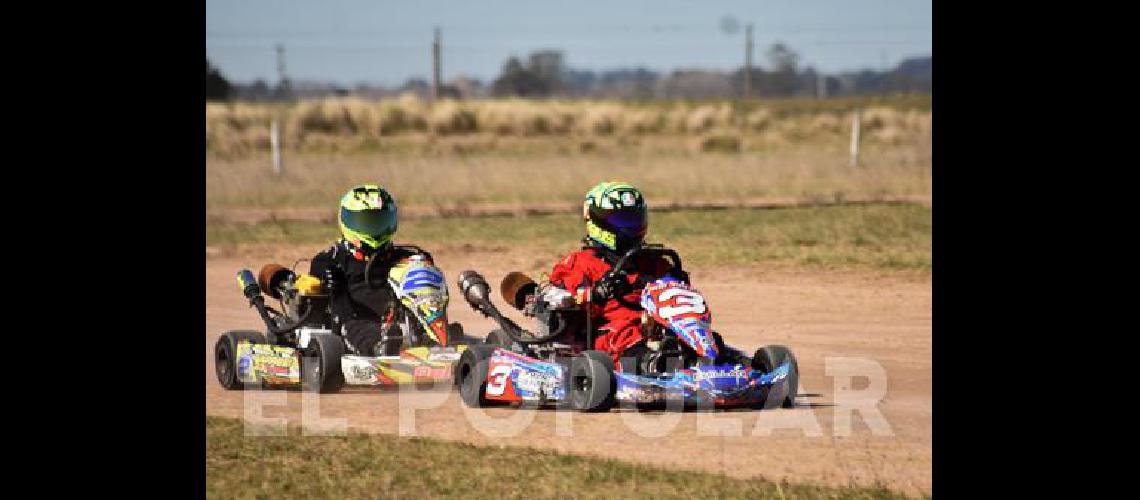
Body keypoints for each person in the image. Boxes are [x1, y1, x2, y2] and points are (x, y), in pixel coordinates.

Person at [543, 181, 689, 369]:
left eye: (634, 219)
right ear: (597, 221)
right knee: (623, 334)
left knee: (690, 332)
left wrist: (678, 282)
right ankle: (650, 364)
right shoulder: (580, 263)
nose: (630, 227)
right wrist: (597, 293)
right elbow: (565, 301)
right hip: (606, 332)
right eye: (623, 220)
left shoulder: (651, 262)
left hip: (654, 325)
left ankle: (713, 358)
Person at [308, 184, 434, 356]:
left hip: (403, 324)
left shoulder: (403, 257)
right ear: (348, 222)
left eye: (380, 222)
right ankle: (379, 347)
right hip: (351, 324)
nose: (374, 229)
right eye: (367, 223)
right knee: (366, 332)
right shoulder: (330, 260)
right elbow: (315, 284)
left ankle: (435, 340)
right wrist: (328, 278)